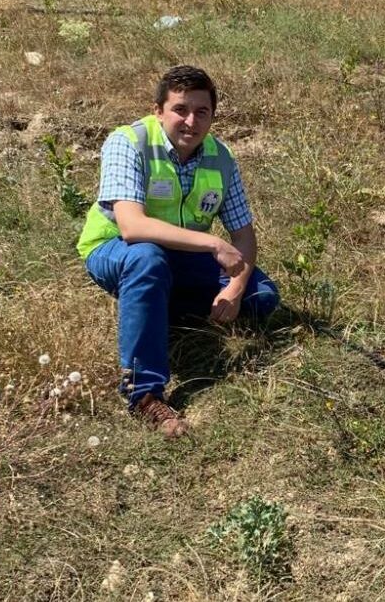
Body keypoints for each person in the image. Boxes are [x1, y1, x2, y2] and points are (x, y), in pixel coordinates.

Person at [77, 65, 279, 437]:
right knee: (147, 259)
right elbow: (132, 227)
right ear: (158, 110)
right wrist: (214, 243)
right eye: (180, 109)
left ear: (213, 116)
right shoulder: (128, 142)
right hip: (116, 249)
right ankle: (144, 392)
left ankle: (151, 311)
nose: (190, 121)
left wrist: (234, 290)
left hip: (181, 256)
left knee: (261, 296)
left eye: (202, 112)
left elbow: (245, 238)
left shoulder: (220, 157)